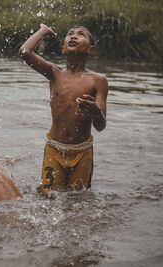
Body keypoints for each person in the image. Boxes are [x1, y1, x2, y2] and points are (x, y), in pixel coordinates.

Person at [19, 24, 108, 194]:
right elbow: (25, 52)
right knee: (47, 197)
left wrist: (96, 112)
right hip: (54, 149)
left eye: (80, 34)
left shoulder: (98, 80)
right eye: (70, 34)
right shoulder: (54, 73)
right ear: (63, 49)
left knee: (79, 201)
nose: (73, 36)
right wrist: (43, 31)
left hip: (82, 153)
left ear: (90, 50)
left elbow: (100, 126)